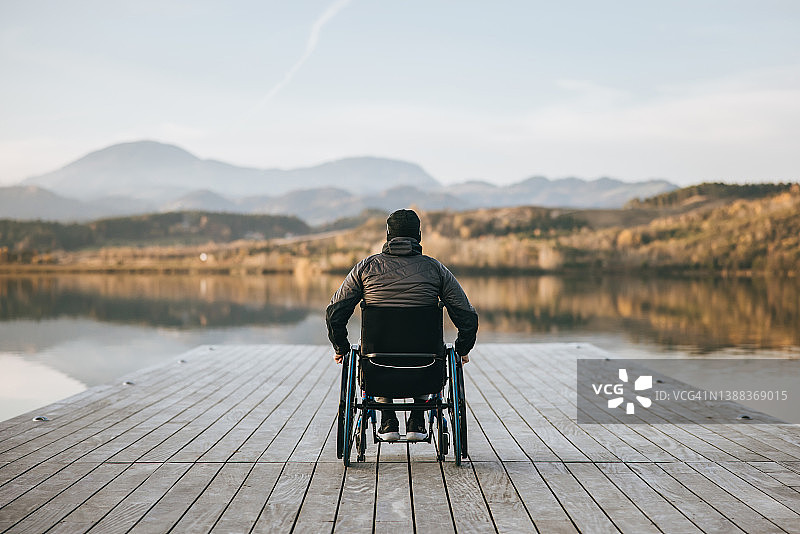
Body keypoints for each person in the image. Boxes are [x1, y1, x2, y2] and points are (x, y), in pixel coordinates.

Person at [326, 209, 478, 441]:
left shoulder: (366, 268)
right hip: (427, 367)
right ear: (418, 235)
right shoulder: (435, 269)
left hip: (376, 365)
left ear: (388, 235)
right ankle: (417, 421)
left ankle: (388, 420)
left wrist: (341, 348)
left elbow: (335, 313)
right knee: (427, 347)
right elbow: (467, 316)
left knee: (371, 350)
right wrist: (462, 350)